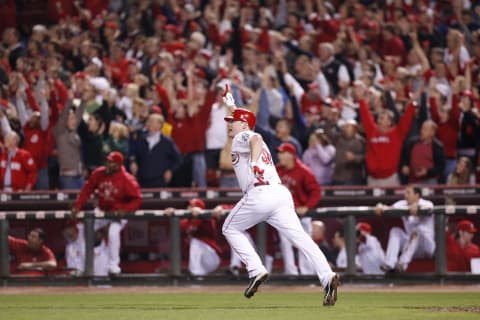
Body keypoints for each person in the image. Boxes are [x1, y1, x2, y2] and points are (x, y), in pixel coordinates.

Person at [221, 90, 338, 306]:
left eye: (233, 121)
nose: (229, 124)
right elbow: (249, 129)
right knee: (301, 238)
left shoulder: (242, 136)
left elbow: (256, 137)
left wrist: (254, 162)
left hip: (260, 194)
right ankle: (327, 276)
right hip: (280, 194)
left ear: (244, 125)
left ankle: (255, 269)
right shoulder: (242, 131)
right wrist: (232, 105)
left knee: (229, 228)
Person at [72, 151, 143, 275]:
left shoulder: (127, 179)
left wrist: (125, 209)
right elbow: (87, 190)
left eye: (112, 162)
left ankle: (113, 265)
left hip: (117, 212)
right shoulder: (99, 173)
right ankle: (83, 266)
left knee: (113, 233)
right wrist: (77, 206)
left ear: (118, 165)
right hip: (101, 210)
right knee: (83, 229)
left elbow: (138, 199)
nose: (108, 164)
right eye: (108, 161)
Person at [276, 142, 322, 276]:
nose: (279, 155)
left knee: (304, 244)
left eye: (282, 152)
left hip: (301, 215)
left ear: (290, 155)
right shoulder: (277, 170)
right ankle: (291, 273)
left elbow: (316, 191)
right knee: (285, 243)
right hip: (285, 214)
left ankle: (307, 274)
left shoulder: (304, 171)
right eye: (279, 152)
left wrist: (307, 206)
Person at [357, 97, 415, 186]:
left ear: (389, 122)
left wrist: (412, 104)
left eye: (382, 118)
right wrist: (361, 100)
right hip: (372, 179)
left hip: (390, 179)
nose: (378, 121)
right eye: (379, 118)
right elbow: (365, 116)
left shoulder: (397, 133)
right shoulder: (372, 130)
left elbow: (406, 119)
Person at [375, 185, 435, 272]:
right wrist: (380, 206)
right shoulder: (402, 203)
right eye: (405, 193)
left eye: (408, 193)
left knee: (417, 230)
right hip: (411, 246)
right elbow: (387, 208)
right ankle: (389, 263)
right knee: (395, 230)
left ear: (417, 195)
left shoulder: (427, 203)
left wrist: (417, 207)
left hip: (426, 247)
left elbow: (428, 208)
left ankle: (402, 264)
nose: (405, 195)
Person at [165, 198, 222, 276]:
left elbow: (209, 222)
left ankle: (196, 274)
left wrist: (201, 213)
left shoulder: (207, 219)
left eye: (191, 206)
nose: (188, 208)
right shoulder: (188, 220)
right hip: (200, 260)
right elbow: (181, 225)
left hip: (211, 258)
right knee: (193, 241)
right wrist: (174, 212)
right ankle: (198, 275)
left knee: (195, 241)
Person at [130, 113, 181, 188]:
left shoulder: (167, 141)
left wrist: (170, 170)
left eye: (151, 121)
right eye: (148, 121)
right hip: (142, 179)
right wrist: (133, 162)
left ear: (159, 125)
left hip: (159, 180)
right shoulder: (141, 139)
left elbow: (177, 159)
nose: (148, 123)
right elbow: (133, 153)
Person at [400, 120, 446, 184]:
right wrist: (404, 166)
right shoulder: (411, 142)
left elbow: (441, 167)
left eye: (425, 129)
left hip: (430, 181)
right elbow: (403, 157)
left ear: (432, 133)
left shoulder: (438, 147)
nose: (421, 131)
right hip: (413, 181)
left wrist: (427, 172)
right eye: (422, 128)